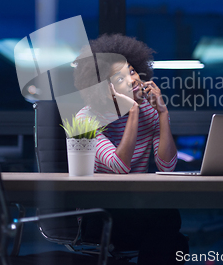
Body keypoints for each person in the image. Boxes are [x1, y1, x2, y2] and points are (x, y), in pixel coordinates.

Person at [73, 34, 189, 265]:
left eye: (132, 71)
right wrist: (133, 110)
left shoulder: (150, 111)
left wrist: (162, 113)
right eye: (120, 77)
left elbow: (167, 166)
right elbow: (120, 166)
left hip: (139, 205)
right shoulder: (85, 118)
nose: (133, 80)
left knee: (168, 224)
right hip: (99, 210)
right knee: (171, 234)